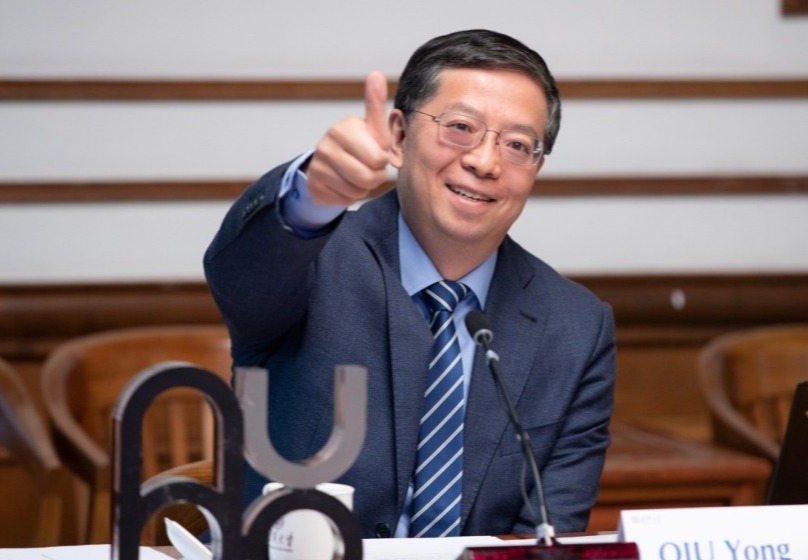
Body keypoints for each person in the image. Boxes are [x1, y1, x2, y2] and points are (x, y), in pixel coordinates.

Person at [204, 29, 616, 538]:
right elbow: (239, 272)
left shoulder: (576, 327)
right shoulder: (311, 260)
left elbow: (548, 536)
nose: (485, 162)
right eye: (460, 128)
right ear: (399, 137)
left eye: (516, 145)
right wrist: (311, 197)